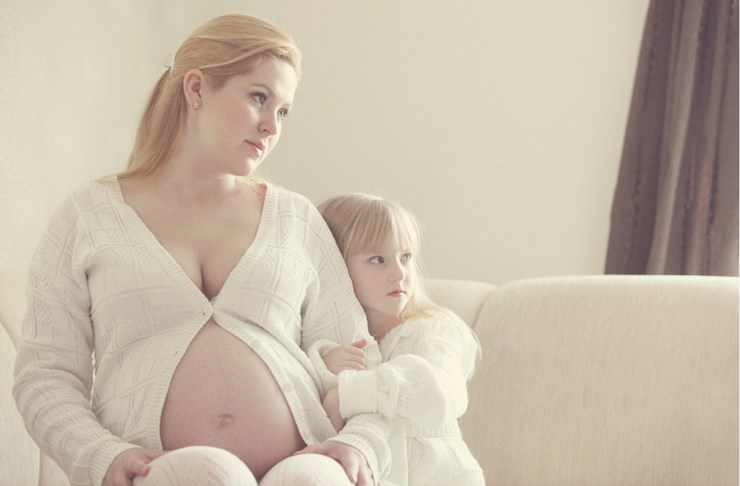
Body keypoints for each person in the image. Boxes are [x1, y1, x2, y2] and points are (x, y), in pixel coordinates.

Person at [13, 14, 391, 486]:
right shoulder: (88, 216)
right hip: (158, 472)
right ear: (196, 89)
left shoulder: (296, 219)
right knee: (207, 476)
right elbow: (45, 375)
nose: (271, 126)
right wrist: (101, 454)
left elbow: (363, 365)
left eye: (283, 112)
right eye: (259, 97)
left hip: (303, 462)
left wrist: (361, 443)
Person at [314, 194, 486, 486]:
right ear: (336, 268)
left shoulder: (435, 330)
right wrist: (323, 365)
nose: (399, 274)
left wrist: (349, 392)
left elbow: (441, 393)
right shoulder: (335, 341)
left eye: (406, 257)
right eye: (377, 260)